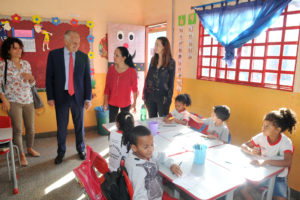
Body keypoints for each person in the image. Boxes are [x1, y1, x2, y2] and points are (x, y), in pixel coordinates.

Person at [46, 30, 92, 164]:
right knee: (61, 127)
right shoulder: (54, 55)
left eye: (78, 42)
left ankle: (81, 149)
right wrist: (50, 97)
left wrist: (88, 98)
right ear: (65, 41)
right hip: (61, 96)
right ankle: (61, 152)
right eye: (73, 42)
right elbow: (49, 77)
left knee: (79, 126)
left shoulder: (83, 57)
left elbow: (87, 79)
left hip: (78, 97)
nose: (77, 45)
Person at [240, 108, 297, 200]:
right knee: (243, 189)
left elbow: (287, 162)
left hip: (279, 177)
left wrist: (265, 161)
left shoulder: (286, 142)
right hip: (263, 173)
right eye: (263, 125)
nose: (263, 128)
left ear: (278, 129)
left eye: (267, 126)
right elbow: (244, 145)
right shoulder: (262, 136)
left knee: (280, 198)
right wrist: (250, 151)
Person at [0, 37, 39, 166]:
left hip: (28, 99)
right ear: (8, 50)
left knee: (31, 128)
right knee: (17, 130)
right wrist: (4, 99)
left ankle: (29, 148)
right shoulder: (3, 65)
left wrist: (31, 78)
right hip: (13, 101)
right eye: (15, 48)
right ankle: (21, 154)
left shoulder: (26, 64)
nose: (18, 50)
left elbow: (33, 84)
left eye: (20, 47)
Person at [125, 125, 182, 200]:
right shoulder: (138, 170)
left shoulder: (142, 153)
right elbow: (139, 196)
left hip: (156, 191)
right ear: (134, 148)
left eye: (152, 145)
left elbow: (161, 156)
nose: (150, 149)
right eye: (146, 147)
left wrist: (171, 164)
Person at [143, 37, 176, 118]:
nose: (155, 47)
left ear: (164, 47)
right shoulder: (153, 60)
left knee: (162, 121)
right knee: (152, 120)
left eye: (157, 45)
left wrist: (169, 99)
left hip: (163, 97)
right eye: (155, 44)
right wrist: (145, 94)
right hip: (150, 96)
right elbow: (148, 78)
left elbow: (171, 83)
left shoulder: (171, 62)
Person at [104, 46, 137, 122]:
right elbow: (107, 87)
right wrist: (105, 101)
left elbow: (134, 89)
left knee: (124, 124)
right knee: (112, 124)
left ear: (124, 58)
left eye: (117, 55)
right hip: (112, 102)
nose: (114, 57)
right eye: (114, 54)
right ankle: (112, 134)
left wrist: (134, 103)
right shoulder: (111, 69)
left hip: (125, 103)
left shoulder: (131, 71)